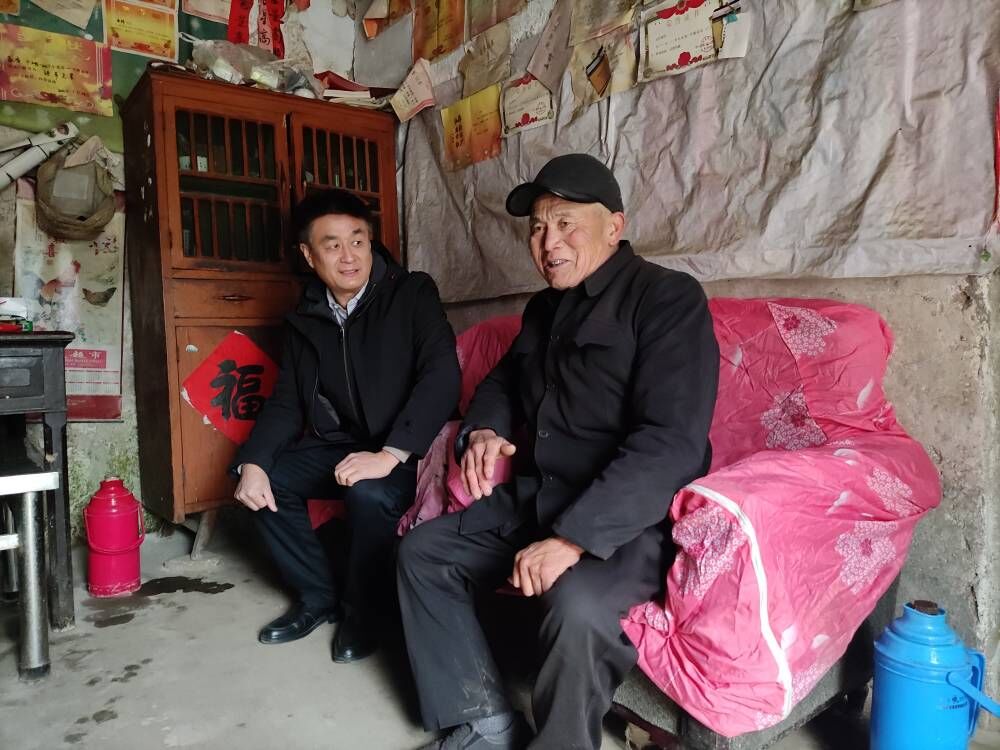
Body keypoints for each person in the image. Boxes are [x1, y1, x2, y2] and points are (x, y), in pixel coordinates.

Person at [397, 154, 720, 749]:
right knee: (423, 553)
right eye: (538, 228)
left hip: (626, 523)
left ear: (614, 227)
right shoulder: (544, 309)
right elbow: (501, 381)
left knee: (576, 607)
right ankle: (484, 722)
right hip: (537, 500)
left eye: (566, 223)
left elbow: (670, 442)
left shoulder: (666, 299)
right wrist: (483, 430)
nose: (549, 243)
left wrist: (573, 541)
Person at [233, 188, 460, 663]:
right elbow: (287, 402)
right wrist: (253, 462)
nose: (349, 256)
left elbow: (442, 377)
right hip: (344, 444)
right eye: (332, 245)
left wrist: (390, 454)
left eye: (357, 241)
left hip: (409, 448)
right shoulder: (306, 318)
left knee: (368, 494)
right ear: (308, 255)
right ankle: (318, 597)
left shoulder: (412, 293)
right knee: (263, 481)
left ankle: (363, 612)